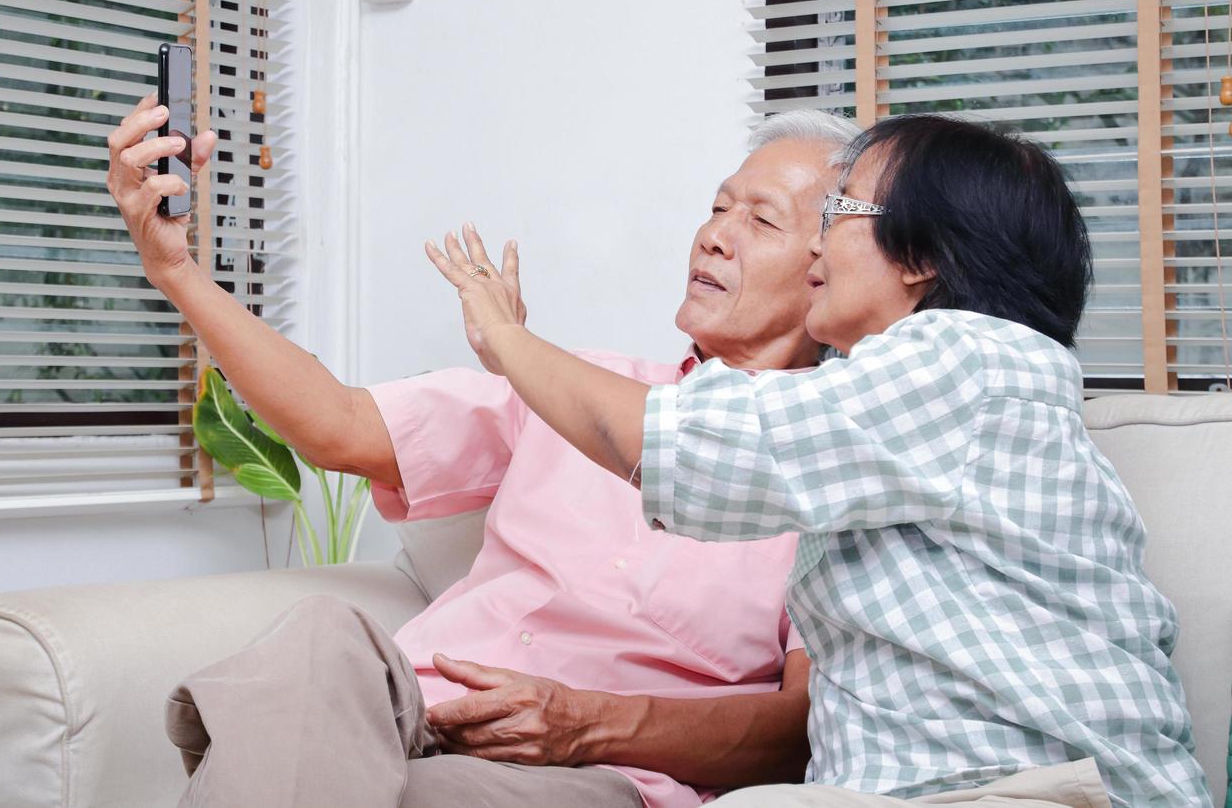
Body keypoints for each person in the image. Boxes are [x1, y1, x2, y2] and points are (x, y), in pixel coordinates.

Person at [425, 114, 1211, 807]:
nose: (815, 244)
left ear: (920, 258)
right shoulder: (867, 412)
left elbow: (693, 450)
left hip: (1040, 788)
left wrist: (508, 340)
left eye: (840, 212)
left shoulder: (970, 359)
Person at [105, 101, 861, 807]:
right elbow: (337, 424)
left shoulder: (834, 479)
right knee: (322, 636)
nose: (715, 234)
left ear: (830, 271)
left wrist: (585, 724)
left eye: (761, 220)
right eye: (719, 206)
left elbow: (801, 732)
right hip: (406, 708)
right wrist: (176, 270)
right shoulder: (570, 389)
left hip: (582, 772)